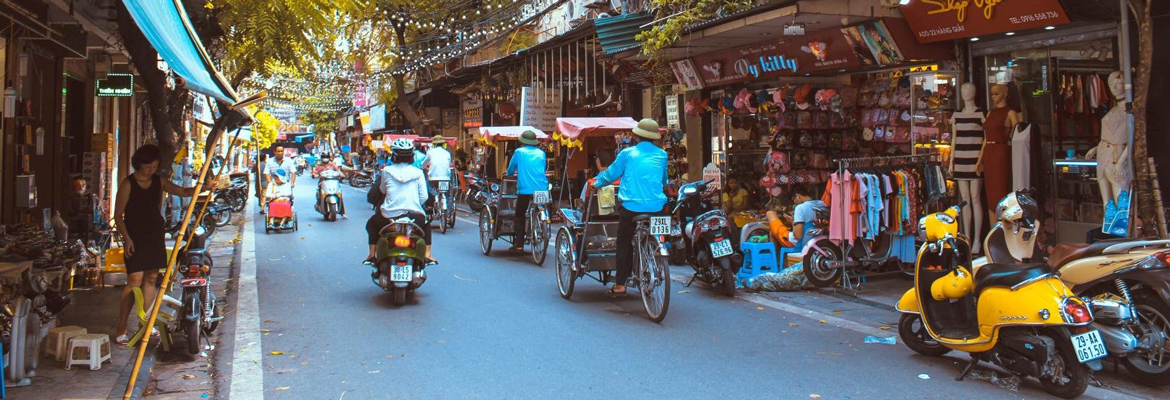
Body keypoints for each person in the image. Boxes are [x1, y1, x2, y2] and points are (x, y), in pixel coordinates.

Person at [113, 144, 208, 344]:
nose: (151, 170)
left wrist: (205, 187)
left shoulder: (159, 181)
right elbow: (118, 216)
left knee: (151, 278)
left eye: (154, 166)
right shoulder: (127, 184)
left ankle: (145, 323)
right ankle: (121, 325)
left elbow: (183, 192)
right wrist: (127, 239)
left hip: (154, 233)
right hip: (135, 236)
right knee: (134, 280)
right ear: (139, 164)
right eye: (148, 166)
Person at [590, 119, 668, 295]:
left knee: (624, 241)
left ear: (637, 136)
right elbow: (664, 181)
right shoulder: (662, 155)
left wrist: (597, 183)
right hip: (657, 206)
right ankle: (654, 252)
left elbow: (610, 174)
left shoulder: (628, 153)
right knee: (652, 231)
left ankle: (620, 284)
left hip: (631, 206)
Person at [366, 139, 434, 264]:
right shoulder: (418, 173)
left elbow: (383, 190)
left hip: (388, 216)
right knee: (427, 226)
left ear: (394, 156)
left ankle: (371, 256)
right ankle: (428, 255)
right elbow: (423, 197)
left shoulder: (386, 171)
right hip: (414, 217)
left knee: (372, 224)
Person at [505, 131, 549, 252]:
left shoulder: (519, 152)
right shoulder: (541, 153)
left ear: (523, 141)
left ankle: (519, 245)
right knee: (543, 207)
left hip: (525, 189)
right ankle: (544, 224)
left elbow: (510, 169)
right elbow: (544, 168)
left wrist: (510, 173)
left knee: (519, 215)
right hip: (542, 188)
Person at [312, 153, 348, 219]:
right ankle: (319, 204)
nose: (325, 158)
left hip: (333, 182)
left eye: (326, 157)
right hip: (323, 183)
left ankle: (343, 212)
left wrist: (341, 174)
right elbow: (314, 173)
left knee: (339, 195)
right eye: (323, 157)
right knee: (320, 194)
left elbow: (338, 170)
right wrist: (315, 175)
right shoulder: (319, 166)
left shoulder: (332, 165)